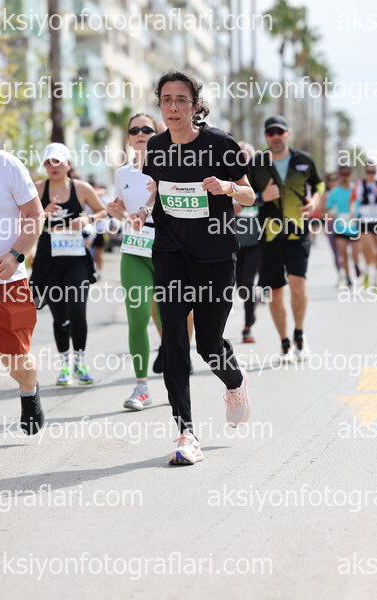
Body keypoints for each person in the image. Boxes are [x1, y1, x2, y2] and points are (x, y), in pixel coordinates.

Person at [131, 70, 255, 465]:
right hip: (171, 253)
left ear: (195, 105)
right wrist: (142, 211)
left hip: (215, 257)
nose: (173, 107)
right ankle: (186, 432)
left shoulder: (219, 143)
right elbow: (156, 192)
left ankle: (234, 381)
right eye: (166, 100)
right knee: (173, 342)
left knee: (208, 346)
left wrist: (228, 187)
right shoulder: (156, 146)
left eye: (181, 100)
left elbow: (250, 195)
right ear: (160, 105)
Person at [0, 99, 44, 458]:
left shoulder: (6, 165)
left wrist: (17, 253)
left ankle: (29, 389)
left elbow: (34, 214)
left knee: (15, 359)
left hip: (4, 281)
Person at [30, 143, 106, 386]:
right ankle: (64, 366)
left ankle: (80, 363)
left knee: (77, 312)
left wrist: (87, 218)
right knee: (60, 317)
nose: (53, 166)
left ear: (68, 164)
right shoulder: (37, 189)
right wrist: (43, 212)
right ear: (44, 165)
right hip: (48, 261)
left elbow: (103, 211)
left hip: (76, 260)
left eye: (58, 161)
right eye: (49, 162)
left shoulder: (81, 188)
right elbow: (22, 219)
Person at [250, 115, 323, 363]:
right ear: (266, 136)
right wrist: (262, 197)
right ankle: (284, 343)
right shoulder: (257, 163)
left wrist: (314, 201)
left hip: (298, 232)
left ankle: (299, 335)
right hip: (270, 235)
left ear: (288, 134)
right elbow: (243, 194)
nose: (275, 136)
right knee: (275, 293)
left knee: (298, 284)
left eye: (279, 132)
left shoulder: (303, 160)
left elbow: (319, 184)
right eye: (270, 133)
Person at [107, 113, 163, 410]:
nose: (140, 133)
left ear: (157, 134)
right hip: (134, 250)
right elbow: (121, 212)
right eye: (135, 130)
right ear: (128, 138)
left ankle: (178, 379)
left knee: (168, 320)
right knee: (138, 317)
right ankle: (141, 387)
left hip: (166, 249)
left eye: (147, 129)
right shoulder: (122, 174)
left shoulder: (171, 165)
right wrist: (117, 213)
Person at [235, 141, 260, 343]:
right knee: (240, 286)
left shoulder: (258, 178)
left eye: (246, 154)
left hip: (255, 241)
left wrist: (250, 200)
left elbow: (268, 198)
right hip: (234, 242)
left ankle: (247, 327)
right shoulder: (228, 176)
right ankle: (253, 301)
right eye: (239, 153)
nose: (243, 157)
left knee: (249, 283)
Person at [325, 166, 359, 287]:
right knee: (343, 254)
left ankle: (356, 265)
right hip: (340, 227)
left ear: (351, 175)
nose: (345, 177)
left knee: (355, 254)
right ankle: (348, 278)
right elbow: (328, 207)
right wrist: (330, 213)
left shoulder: (356, 190)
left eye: (347, 174)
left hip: (354, 227)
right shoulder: (334, 192)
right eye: (342, 174)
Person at [351, 162, 377, 288]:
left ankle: (374, 279)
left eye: (373, 172)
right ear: (365, 172)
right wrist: (352, 213)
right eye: (368, 172)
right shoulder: (359, 185)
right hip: (364, 221)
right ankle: (367, 272)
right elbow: (352, 200)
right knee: (369, 251)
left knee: (375, 252)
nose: (370, 174)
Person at [320, 172, 341, 284]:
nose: (333, 182)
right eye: (330, 180)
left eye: (335, 179)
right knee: (336, 252)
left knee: (345, 251)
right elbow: (321, 212)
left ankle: (349, 272)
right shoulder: (325, 194)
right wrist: (329, 212)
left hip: (345, 224)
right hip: (331, 224)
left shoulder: (343, 191)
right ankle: (341, 275)